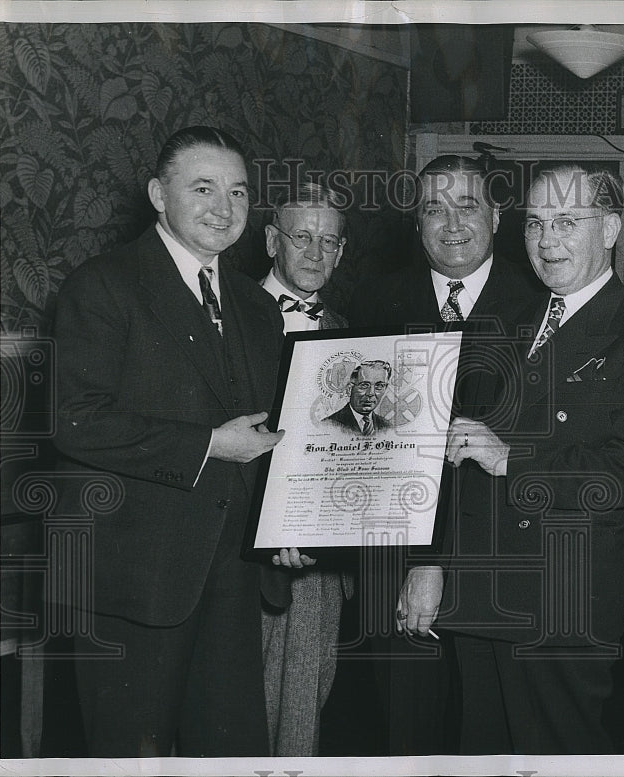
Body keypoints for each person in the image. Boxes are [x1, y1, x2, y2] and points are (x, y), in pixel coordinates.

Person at [399, 163, 624, 753]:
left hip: (563, 598)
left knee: (558, 754)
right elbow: (451, 456)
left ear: (609, 230)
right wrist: (430, 562)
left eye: (566, 221)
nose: (546, 239)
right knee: (480, 754)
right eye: (534, 223)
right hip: (480, 590)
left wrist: (515, 461)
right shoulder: (503, 322)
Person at [52, 126, 290, 756]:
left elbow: (269, 434)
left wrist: (287, 518)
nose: (224, 207)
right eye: (203, 188)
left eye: (238, 192)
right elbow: (76, 419)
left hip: (233, 572)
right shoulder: (102, 285)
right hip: (132, 575)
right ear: (159, 195)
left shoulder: (256, 305)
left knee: (230, 752)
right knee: (128, 756)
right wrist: (207, 444)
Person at [347, 154, 544, 755]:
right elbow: (360, 442)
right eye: (434, 208)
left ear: (497, 214)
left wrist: (437, 560)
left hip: (499, 564)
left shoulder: (541, 305)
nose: (451, 224)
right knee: (401, 736)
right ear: (415, 221)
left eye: (467, 205)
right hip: (389, 564)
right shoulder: (375, 300)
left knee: (491, 742)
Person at [258, 181, 354, 756]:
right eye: (301, 238)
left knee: (305, 710)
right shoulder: (229, 316)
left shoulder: (351, 327)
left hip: (323, 557)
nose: (315, 253)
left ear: (341, 252)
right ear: (273, 241)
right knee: (241, 709)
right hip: (245, 558)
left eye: (329, 241)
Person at [323, 360, 392, 436]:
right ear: (349, 389)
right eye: (364, 385)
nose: (371, 393)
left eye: (379, 386)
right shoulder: (328, 425)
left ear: (385, 389)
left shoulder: (388, 427)